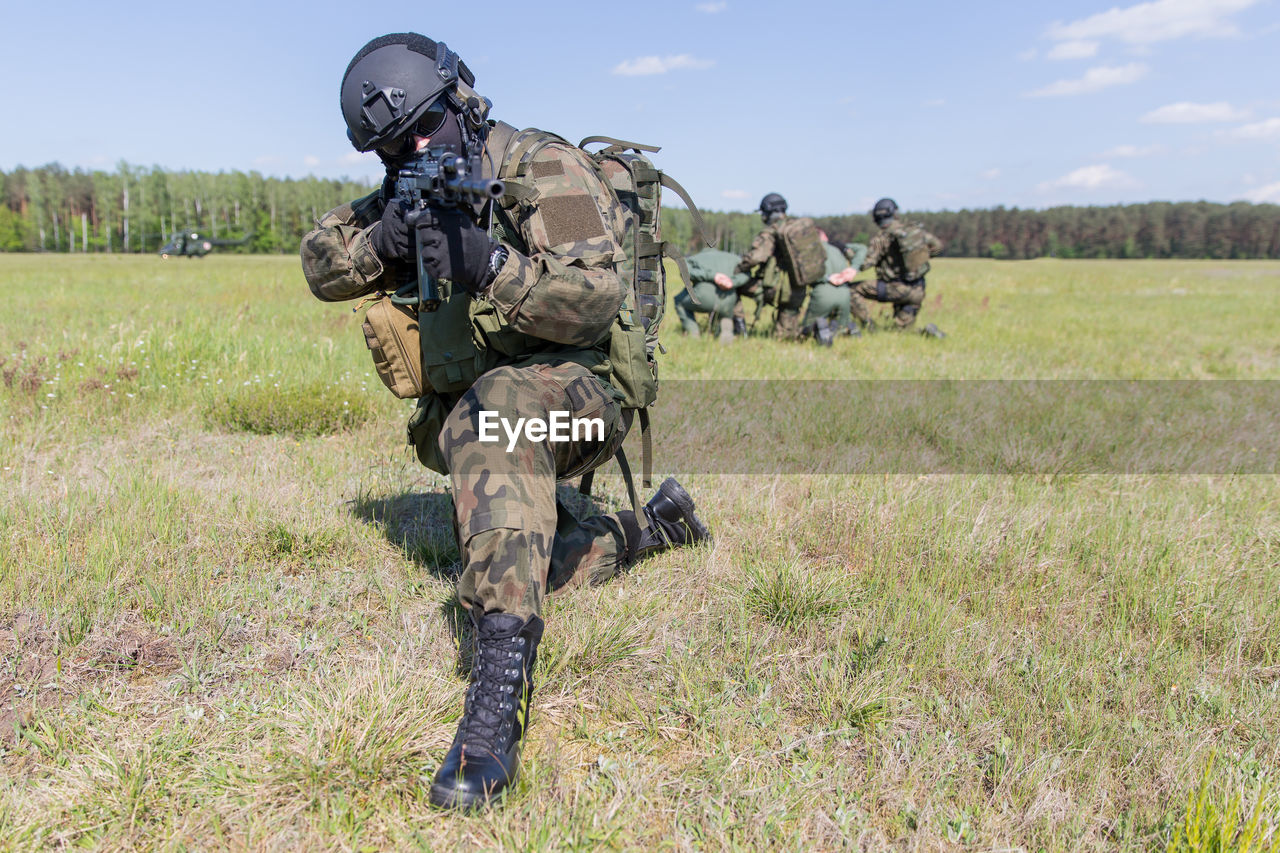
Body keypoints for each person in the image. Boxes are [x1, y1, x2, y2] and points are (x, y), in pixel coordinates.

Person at [299, 32, 710, 812]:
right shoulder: (407, 185)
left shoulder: (543, 168)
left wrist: (486, 261)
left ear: (462, 101)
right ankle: (653, 528)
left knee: (496, 426)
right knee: (532, 557)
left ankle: (495, 695)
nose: (415, 149)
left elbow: (594, 299)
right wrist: (385, 237)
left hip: (588, 399)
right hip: (486, 416)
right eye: (393, 147)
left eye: (424, 128)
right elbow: (320, 261)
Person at [733, 193, 828, 341]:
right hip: (799, 287)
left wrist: (738, 269)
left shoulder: (771, 232)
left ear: (768, 211)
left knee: (734, 285)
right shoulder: (796, 228)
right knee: (787, 336)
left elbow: (756, 257)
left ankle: (740, 331)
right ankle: (814, 328)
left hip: (776, 289)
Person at [847, 198, 944, 336]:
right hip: (918, 290)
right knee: (902, 332)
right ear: (895, 213)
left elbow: (864, 264)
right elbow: (937, 247)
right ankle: (927, 334)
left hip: (895, 289)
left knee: (849, 290)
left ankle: (868, 327)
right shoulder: (915, 230)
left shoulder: (884, 237)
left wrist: (847, 252)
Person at [673, 248, 752, 341]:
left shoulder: (695, 258)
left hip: (702, 297)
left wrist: (712, 276)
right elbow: (747, 273)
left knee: (679, 301)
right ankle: (726, 330)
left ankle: (693, 334)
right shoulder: (734, 258)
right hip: (728, 300)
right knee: (725, 314)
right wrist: (732, 282)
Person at [798, 233, 855, 345]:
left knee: (805, 330)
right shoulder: (836, 250)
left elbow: (807, 275)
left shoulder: (812, 251)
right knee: (840, 327)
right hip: (845, 293)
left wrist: (826, 278)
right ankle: (849, 328)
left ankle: (819, 328)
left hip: (823, 291)